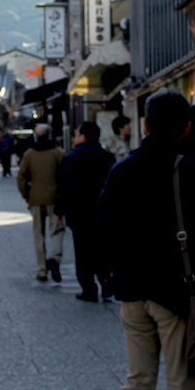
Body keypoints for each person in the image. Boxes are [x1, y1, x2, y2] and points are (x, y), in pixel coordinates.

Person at [88, 88, 195, 390]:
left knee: (138, 381)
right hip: (173, 293)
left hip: (132, 293)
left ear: (144, 124)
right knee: (183, 389)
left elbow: (102, 230)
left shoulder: (122, 168)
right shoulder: (188, 169)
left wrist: (112, 278)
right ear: (186, 127)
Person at [54, 122, 115, 302]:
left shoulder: (72, 157)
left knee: (82, 251)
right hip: (102, 210)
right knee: (102, 248)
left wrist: (59, 210)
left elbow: (64, 185)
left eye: (77, 133)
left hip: (78, 211)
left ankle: (89, 288)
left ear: (83, 136)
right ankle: (106, 282)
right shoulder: (107, 157)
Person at [17, 123, 65, 282]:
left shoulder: (29, 154)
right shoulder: (58, 153)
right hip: (54, 197)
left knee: (38, 233)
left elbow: (21, 177)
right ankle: (54, 256)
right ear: (50, 135)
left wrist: (27, 195)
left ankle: (41, 269)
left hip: (35, 197)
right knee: (57, 230)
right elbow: (64, 176)